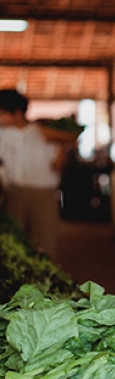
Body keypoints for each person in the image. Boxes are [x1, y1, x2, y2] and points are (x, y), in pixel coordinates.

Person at [0, 89, 71, 260]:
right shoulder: (2, 135)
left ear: (17, 113)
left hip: (43, 195)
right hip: (14, 192)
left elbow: (57, 166)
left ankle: (42, 283)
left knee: (44, 243)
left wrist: (63, 147)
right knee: (13, 244)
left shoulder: (45, 133)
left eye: (2, 114)